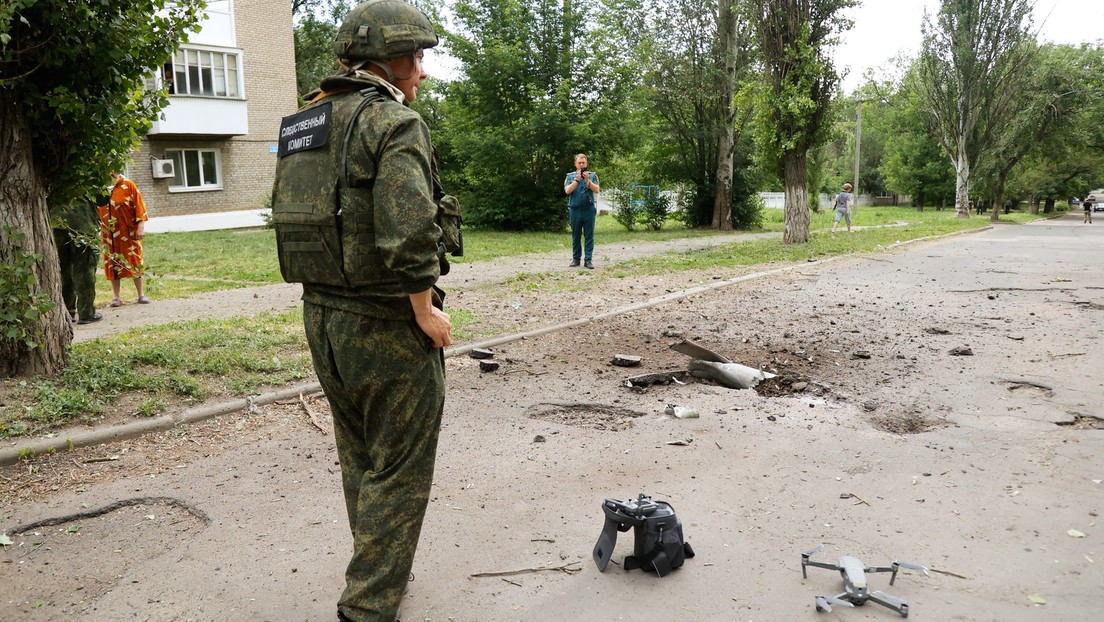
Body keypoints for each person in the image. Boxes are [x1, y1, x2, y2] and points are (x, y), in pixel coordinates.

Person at [269, 2, 455, 620]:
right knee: (399, 466)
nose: (422, 72)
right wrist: (425, 309)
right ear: (394, 61)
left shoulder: (304, 122)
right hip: (384, 323)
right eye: (419, 58)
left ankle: (380, 567)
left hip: (321, 316)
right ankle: (368, 605)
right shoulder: (392, 123)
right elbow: (407, 233)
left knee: (360, 456)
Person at [99, 171, 150, 306]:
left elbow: (140, 207)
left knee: (134, 259)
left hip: (128, 232)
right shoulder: (100, 189)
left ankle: (141, 294)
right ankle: (116, 297)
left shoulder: (128, 185)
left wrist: (140, 226)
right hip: (109, 235)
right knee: (112, 262)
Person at [51, 194, 104, 324]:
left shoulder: (50, 173)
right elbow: (102, 199)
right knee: (85, 270)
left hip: (57, 223)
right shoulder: (91, 174)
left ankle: (67, 312)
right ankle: (86, 312)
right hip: (83, 224)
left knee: (63, 270)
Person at [564, 153, 600, 269]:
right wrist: (577, 180)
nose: (581, 165)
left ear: (586, 163)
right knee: (576, 235)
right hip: (575, 209)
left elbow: (597, 190)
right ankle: (576, 259)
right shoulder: (569, 176)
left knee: (589, 235)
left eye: (583, 163)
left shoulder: (592, 175)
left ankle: (588, 260)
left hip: (588, 209)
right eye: (579, 163)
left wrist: (588, 180)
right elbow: (567, 191)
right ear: (575, 164)